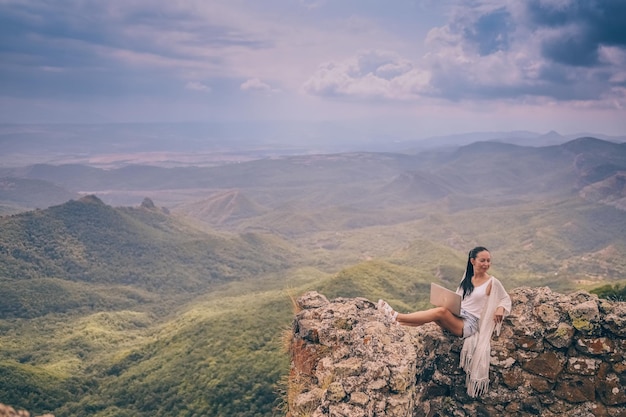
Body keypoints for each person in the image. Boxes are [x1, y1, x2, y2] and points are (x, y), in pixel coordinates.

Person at [377, 246, 512, 397]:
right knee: (438, 311)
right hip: (459, 314)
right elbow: (458, 300)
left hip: (470, 324)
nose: (486, 264)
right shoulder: (467, 279)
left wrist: (500, 308)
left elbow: (506, 299)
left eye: (488, 261)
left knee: (440, 312)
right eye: (482, 260)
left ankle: (397, 316)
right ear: (473, 261)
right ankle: (400, 323)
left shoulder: (492, 282)